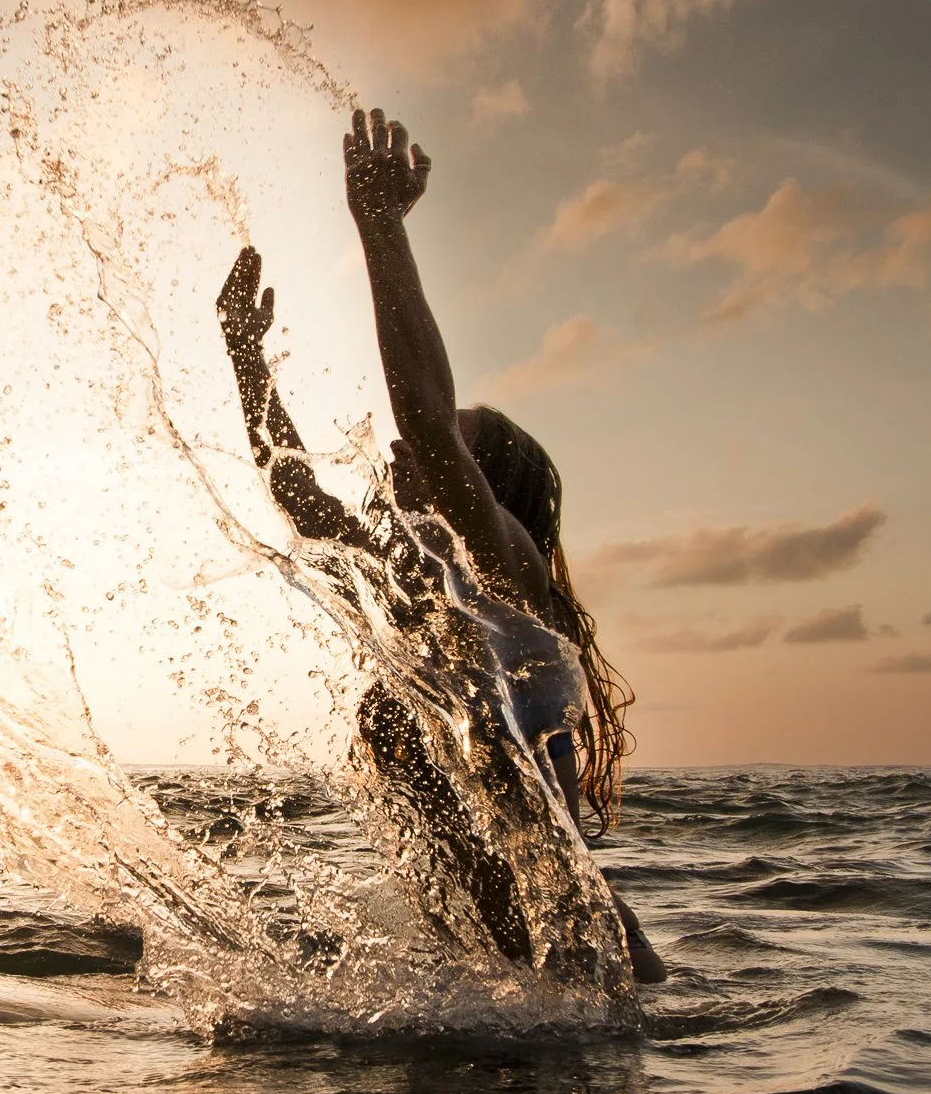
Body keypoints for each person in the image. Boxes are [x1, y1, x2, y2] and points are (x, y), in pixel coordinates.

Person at [214, 105, 665, 986]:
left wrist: (378, 225)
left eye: (439, 453)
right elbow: (302, 499)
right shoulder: (417, 599)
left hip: (584, 985)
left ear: (485, 490)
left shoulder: (509, 582)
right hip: (520, 997)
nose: (395, 454)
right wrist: (245, 359)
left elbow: (422, 424)